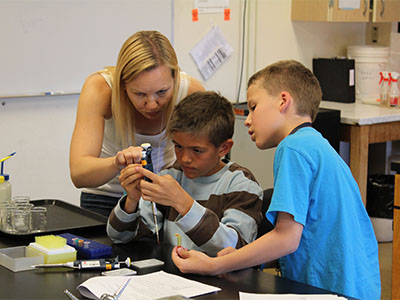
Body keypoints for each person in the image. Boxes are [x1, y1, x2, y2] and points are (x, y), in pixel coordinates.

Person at [172, 61, 381, 300]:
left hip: (330, 289)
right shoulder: (316, 145)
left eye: (253, 107)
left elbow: (286, 238)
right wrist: (242, 257)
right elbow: (309, 235)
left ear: (283, 101)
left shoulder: (293, 147)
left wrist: (214, 265)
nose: (248, 120)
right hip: (357, 287)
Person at [107, 91, 263, 256]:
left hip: (219, 279)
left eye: (197, 150)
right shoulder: (171, 176)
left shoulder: (242, 185)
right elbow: (119, 238)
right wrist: (131, 201)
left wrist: (184, 204)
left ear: (223, 148)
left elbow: (234, 249)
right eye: (178, 147)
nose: (185, 159)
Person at [69, 31, 205, 216]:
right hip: (106, 199)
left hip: (164, 199)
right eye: (140, 94)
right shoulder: (100, 89)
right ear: (123, 85)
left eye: (162, 92)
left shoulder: (191, 92)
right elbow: (79, 174)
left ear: (175, 78)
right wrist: (117, 162)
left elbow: (210, 161)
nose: (151, 104)